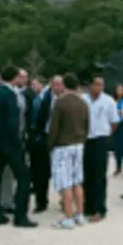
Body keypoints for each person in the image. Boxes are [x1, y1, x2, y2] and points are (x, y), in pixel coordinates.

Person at [0, 64, 37, 228]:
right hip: (9, 144)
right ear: (14, 78)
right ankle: (21, 215)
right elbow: (12, 123)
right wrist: (17, 143)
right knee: (24, 178)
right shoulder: (10, 96)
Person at [48, 73, 89, 229]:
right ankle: (80, 214)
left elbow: (54, 127)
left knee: (65, 183)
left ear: (64, 85)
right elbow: (87, 125)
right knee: (77, 180)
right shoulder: (83, 103)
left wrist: (50, 145)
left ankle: (68, 216)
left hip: (63, 145)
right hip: (78, 143)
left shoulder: (60, 103)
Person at [82, 76, 119, 222]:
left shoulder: (108, 101)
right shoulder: (83, 100)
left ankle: (99, 208)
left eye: (102, 85)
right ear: (90, 85)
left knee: (99, 175)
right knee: (87, 173)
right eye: (97, 84)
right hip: (86, 140)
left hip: (100, 140)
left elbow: (114, 121)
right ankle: (88, 205)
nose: (100, 88)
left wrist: (108, 134)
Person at [29, 75, 63, 213]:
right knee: (41, 171)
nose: (57, 87)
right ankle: (41, 201)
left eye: (60, 84)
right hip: (44, 135)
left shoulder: (67, 99)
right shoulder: (43, 99)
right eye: (55, 84)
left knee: (62, 171)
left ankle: (64, 199)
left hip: (62, 138)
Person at [112, 84, 123, 176]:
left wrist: (120, 112)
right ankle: (118, 167)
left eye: (121, 89)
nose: (119, 91)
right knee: (117, 147)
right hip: (116, 126)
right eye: (117, 89)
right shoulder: (113, 101)